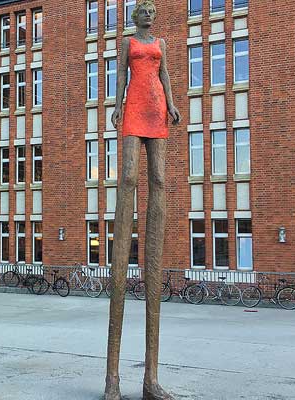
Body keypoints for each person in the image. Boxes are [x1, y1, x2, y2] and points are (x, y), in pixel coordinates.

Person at [104, 2, 181, 400]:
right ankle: (112, 378)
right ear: (135, 16)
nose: (149, 14)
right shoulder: (127, 41)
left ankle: (151, 379)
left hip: (155, 104)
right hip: (134, 102)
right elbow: (120, 74)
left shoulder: (161, 44)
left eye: (152, 9)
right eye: (143, 9)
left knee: (159, 179)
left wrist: (171, 102)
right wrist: (116, 104)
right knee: (129, 176)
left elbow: (165, 73)